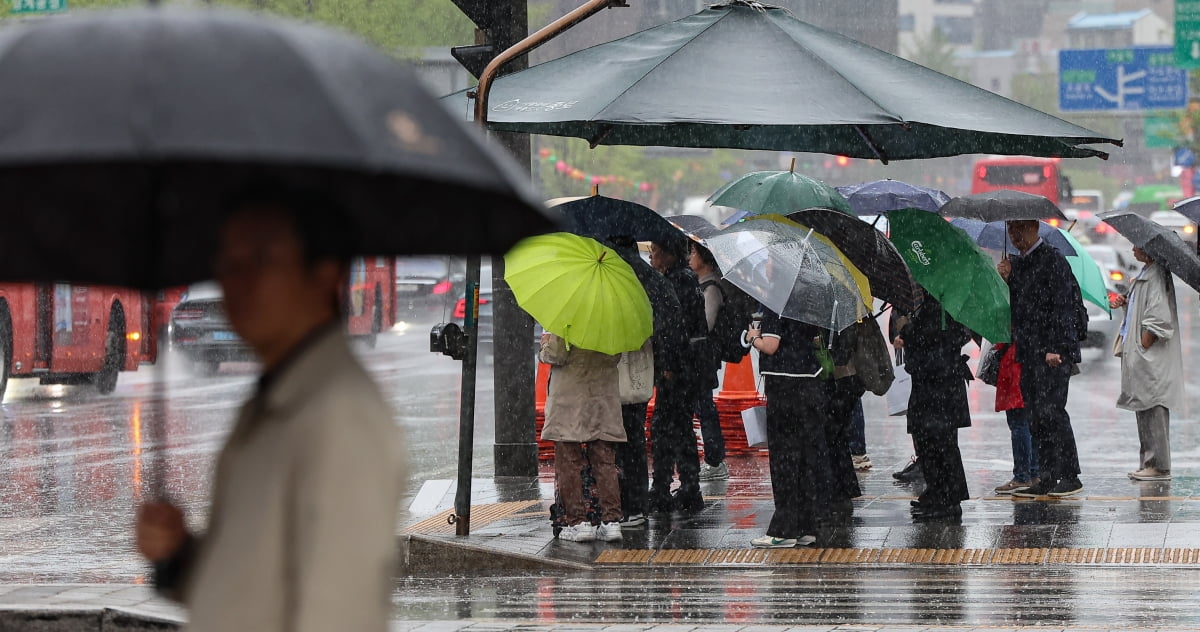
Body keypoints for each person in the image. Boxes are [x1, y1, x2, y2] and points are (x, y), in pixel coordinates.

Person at [135, 192, 405, 632]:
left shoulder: (341, 416)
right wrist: (180, 554)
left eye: (263, 260)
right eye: (227, 263)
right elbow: (251, 583)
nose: (237, 283)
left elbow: (339, 614)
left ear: (325, 272)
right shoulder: (274, 399)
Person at [999, 219, 1084, 499]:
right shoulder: (1020, 263)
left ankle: (1070, 475)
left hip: (1052, 353)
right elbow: (1020, 307)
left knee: (1053, 412)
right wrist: (1008, 280)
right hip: (1030, 351)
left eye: (1020, 228)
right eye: (1011, 230)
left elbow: (1062, 306)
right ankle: (1046, 475)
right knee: (1036, 415)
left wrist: (1055, 347)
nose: (1015, 235)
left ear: (1035, 227)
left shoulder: (1052, 260)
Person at [607, 238, 686, 528]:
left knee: (618, 441)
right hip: (642, 374)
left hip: (618, 372)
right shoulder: (652, 281)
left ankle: (625, 504)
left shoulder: (615, 278)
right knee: (635, 437)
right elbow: (669, 326)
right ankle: (636, 504)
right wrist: (664, 363)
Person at [746, 310, 832, 547]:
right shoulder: (805, 306)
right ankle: (806, 526)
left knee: (784, 460)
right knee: (804, 459)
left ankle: (783, 530)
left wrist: (753, 337)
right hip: (809, 384)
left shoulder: (777, 306)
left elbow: (771, 345)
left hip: (785, 389)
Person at [539, 332, 627, 542]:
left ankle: (577, 522)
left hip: (570, 396)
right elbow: (616, 356)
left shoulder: (567, 316)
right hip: (602, 395)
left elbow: (556, 354)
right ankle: (611, 521)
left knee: (569, 461)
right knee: (605, 460)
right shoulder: (610, 319)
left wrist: (544, 347)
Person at [893, 292, 973, 520]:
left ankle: (947, 499)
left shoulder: (941, 306)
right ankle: (938, 493)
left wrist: (906, 330)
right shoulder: (935, 303)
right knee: (930, 442)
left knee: (940, 443)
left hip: (938, 384)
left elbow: (928, 335)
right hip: (933, 384)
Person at [1110, 246, 1183, 482]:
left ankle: (1159, 466)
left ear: (1149, 249)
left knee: (1154, 405)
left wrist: (1142, 345)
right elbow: (1139, 310)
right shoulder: (1145, 274)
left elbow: (1158, 318)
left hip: (1148, 356)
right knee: (1144, 405)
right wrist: (1125, 302)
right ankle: (1148, 463)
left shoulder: (1156, 275)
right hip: (1140, 354)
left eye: (1136, 245)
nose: (1131, 249)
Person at [647, 237, 708, 514]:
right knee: (678, 427)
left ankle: (668, 487)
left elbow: (673, 326)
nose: (651, 256)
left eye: (655, 251)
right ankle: (686, 486)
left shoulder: (677, 281)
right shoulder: (685, 278)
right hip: (685, 367)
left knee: (667, 428)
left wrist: (669, 364)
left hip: (677, 369)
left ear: (669, 254)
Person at [689, 241, 728, 481]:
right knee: (702, 406)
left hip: (702, 358)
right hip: (698, 358)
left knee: (704, 407)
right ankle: (714, 459)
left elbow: (706, 323)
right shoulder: (700, 284)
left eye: (693, 252)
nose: (689, 256)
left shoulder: (711, 287)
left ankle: (715, 460)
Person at [991, 342, 1040, 495]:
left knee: (1018, 422)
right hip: (1027, 363)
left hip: (1015, 365)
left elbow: (1004, 339)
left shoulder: (1014, 321)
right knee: (1030, 422)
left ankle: (1022, 476)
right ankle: (1033, 473)